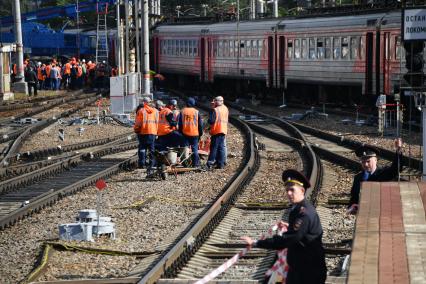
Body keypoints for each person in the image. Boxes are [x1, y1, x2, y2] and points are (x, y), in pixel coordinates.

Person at [242, 169, 327, 284]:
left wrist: (256, 242)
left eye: (292, 190)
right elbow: (301, 233)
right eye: (287, 190)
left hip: (308, 271)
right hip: (300, 267)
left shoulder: (304, 213)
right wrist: (290, 226)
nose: (289, 193)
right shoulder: (297, 209)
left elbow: (288, 239)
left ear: (302, 190)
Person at [348, 138, 403, 214]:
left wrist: (398, 150)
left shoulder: (384, 173)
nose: (365, 164)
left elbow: (396, 168)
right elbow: (354, 198)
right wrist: (352, 207)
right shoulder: (358, 178)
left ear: (376, 160)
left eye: (368, 161)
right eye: (363, 162)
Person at [134, 97, 159, 169]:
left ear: (144, 102)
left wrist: (136, 130)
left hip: (143, 132)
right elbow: (158, 122)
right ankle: (152, 164)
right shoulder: (156, 111)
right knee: (152, 148)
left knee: (142, 148)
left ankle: (142, 164)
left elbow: (138, 123)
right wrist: (157, 132)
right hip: (153, 132)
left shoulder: (141, 111)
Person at [178, 97, 203, 167]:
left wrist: (180, 132)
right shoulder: (196, 112)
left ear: (186, 103)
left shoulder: (182, 111)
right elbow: (200, 124)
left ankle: (185, 164)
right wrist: (200, 133)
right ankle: (196, 164)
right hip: (195, 134)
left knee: (185, 149)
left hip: (184, 133)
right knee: (195, 149)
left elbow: (180, 124)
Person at [206, 96, 229, 169]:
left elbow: (211, 121)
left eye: (215, 101)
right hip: (223, 130)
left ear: (218, 101)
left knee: (214, 148)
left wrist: (206, 128)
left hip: (217, 130)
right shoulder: (225, 108)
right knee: (221, 147)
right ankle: (220, 164)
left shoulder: (216, 110)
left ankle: (209, 163)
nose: (214, 102)